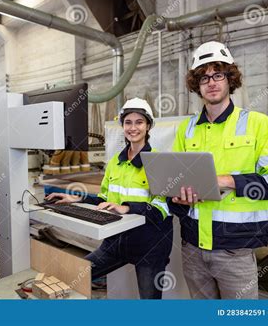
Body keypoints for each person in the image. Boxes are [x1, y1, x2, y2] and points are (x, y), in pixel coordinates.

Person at [167, 41, 268, 299]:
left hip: (235, 250)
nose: (211, 82)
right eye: (204, 77)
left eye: (218, 74)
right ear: (196, 84)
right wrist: (177, 197)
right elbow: (176, 183)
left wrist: (225, 180)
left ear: (229, 78)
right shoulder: (186, 129)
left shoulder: (257, 124)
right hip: (192, 247)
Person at [46, 97, 173, 299]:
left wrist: (127, 207)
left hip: (149, 247)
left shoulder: (159, 161)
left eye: (139, 122)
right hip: (116, 243)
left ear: (148, 125)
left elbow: (162, 211)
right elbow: (104, 200)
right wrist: (76, 199)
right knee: (75, 276)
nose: (133, 128)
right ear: (122, 125)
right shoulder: (115, 162)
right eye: (128, 122)